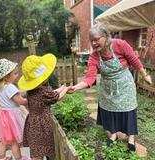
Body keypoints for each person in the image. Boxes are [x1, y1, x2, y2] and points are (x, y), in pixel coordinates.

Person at [68, 24, 153, 152]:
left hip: (124, 85)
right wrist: (75, 88)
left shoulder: (120, 44)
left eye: (96, 39)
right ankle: (113, 134)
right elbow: (90, 78)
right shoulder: (94, 56)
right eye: (92, 40)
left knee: (128, 110)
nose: (94, 43)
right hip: (107, 87)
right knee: (109, 110)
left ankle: (131, 138)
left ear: (106, 37)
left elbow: (134, 60)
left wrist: (144, 75)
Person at [18, 54, 69, 160]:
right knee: (48, 149)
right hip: (43, 124)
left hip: (32, 123)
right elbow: (56, 97)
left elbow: (51, 94)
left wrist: (61, 88)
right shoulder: (44, 91)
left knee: (36, 151)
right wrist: (66, 89)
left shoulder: (31, 90)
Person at [0, 58, 28, 160]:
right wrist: (31, 99)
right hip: (12, 117)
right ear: (6, 77)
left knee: (3, 140)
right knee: (14, 141)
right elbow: (21, 101)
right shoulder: (10, 87)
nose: (17, 75)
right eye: (15, 74)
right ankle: (19, 158)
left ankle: (1, 158)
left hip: (2, 115)